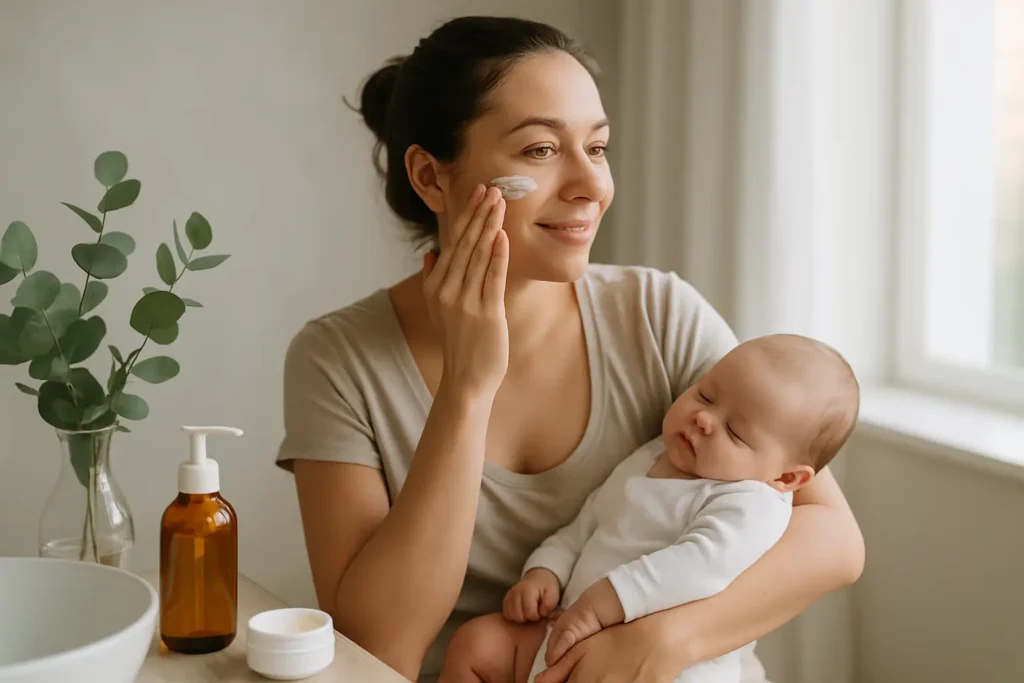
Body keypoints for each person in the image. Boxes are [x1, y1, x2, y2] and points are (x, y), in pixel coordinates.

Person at [275, 15, 865, 683]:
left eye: (598, 146)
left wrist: (663, 639)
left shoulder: (657, 313)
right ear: (432, 178)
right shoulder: (337, 361)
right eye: (540, 151)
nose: (591, 185)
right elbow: (378, 649)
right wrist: (467, 388)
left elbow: (834, 540)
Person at [438, 334, 861, 683]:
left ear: (787, 478)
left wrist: (606, 601)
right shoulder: (653, 457)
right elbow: (590, 523)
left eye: (734, 432)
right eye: (705, 394)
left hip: (670, 667)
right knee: (477, 644)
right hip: (569, 624)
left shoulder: (752, 503)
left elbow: (700, 565)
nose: (703, 420)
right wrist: (547, 569)